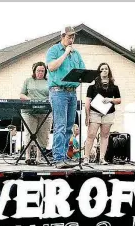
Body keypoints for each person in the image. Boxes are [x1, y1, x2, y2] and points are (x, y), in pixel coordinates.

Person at [46, 26, 85, 169]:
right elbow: (51, 67)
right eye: (69, 37)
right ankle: (58, 159)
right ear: (62, 36)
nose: (71, 39)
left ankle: (64, 157)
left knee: (69, 126)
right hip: (58, 91)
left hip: (72, 92)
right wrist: (65, 53)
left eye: (73, 37)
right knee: (60, 125)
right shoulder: (54, 50)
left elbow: (82, 69)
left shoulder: (76, 54)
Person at [83, 63, 121, 165]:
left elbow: (119, 100)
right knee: (91, 135)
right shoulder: (92, 87)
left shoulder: (114, 86)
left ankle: (102, 158)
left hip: (108, 113)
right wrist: (87, 116)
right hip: (95, 112)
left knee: (105, 135)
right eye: (102, 69)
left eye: (106, 69)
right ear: (99, 71)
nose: (104, 70)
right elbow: (87, 102)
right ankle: (86, 157)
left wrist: (110, 99)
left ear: (109, 71)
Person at [19, 62, 52, 164]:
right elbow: (21, 94)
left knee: (43, 134)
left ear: (45, 72)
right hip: (29, 111)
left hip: (45, 111)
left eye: (42, 71)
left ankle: (39, 157)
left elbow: (53, 94)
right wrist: (30, 100)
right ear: (34, 71)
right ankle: (27, 156)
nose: (40, 73)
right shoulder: (28, 81)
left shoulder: (49, 81)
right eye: (38, 71)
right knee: (29, 133)